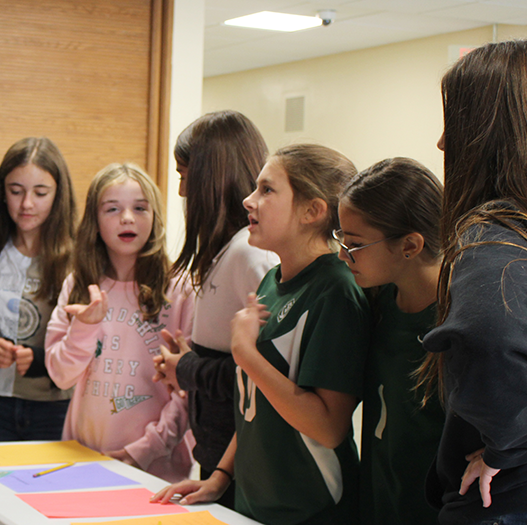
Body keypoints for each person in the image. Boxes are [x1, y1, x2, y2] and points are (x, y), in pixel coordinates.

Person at [419, 37, 527, 525]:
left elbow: (488, 332)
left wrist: (514, 444)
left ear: (492, 134)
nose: (442, 142)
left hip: (514, 501)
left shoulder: (498, 233)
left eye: (456, 123)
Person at [153, 144, 369, 525]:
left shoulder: (335, 290)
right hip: (254, 504)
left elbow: (329, 427)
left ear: (312, 211)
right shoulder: (272, 279)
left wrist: (246, 354)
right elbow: (259, 409)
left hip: (312, 510)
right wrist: (221, 476)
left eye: (267, 190)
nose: (248, 200)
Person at [152, 110, 277, 508]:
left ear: (212, 177)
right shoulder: (228, 251)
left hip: (242, 465)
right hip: (218, 457)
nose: (182, 192)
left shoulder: (250, 253)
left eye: (185, 175)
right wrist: (186, 363)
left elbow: (266, 377)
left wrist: (186, 369)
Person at [45, 163, 194, 483]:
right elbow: (60, 375)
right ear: (94, 221)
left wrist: (147, 448)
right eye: (112, 209)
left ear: (154, 217)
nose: (127, 217)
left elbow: (189, 390)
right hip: (83, 457)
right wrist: (83, 328)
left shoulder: (179, 289)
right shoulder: (78, 284)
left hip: (157, 468)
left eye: (140, 208)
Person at [335, 158, 445, 524]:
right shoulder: (376, 302)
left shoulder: (460, 320)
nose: (342, 255)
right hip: (379, 504)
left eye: (354, 244)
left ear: (410, 246)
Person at [0, 137, 76, 442]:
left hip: (57, 405)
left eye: (40, 193)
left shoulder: (77, 259)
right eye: (16, 192)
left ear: (58, 195)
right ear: (2, 193)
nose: (27, 204)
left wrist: (42, 360)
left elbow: (89, 342)